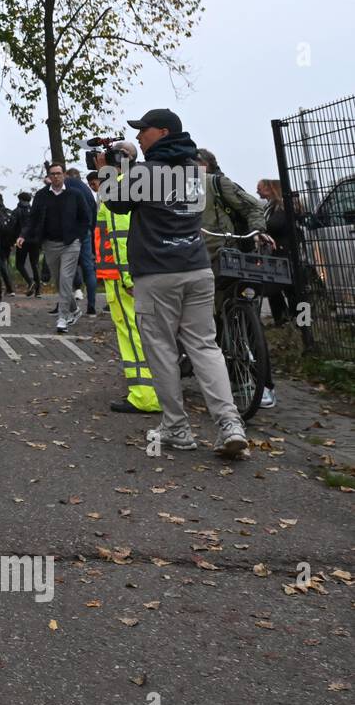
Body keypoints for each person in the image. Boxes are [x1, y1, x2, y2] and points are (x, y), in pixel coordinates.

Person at [110, 109, 247, 456]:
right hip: (198, 269)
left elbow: (115, 201)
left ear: (164, 131)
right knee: (205, 346)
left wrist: (111, 166)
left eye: (145, 130)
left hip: (157, 275)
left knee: (162, 351)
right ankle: (230, 424)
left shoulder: (147, 171)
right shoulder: (196, 171)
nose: (140, 136)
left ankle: (176, 427)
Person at [197, 149, 276, 408]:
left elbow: (252, 206)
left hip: (231, 257)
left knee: (244, 318)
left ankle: (262, 383)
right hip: (200, 263)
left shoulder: (219, 184)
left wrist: (257, 232)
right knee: (214, 322)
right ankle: (232, 378)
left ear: (205, 165)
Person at [94, 142, 160, 414]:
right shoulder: (131, 182)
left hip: (122, 276)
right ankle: (151, 391)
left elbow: (121, 236)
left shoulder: (119, 186)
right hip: (125, 273)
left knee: (133, 334)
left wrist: (127, 277)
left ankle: (144, 395)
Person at [17, 162, 91, 333]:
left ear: (64, 175)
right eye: (53, 174)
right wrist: (23, 235)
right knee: (59, 281)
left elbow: (85, 218)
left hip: (70, 243)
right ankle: (74, 310)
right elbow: (33, 218)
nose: (56, 176)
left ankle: (62, 318)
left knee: (66, 279)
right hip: (50, 244)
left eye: (59, 173)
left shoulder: (75, 194)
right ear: (49, 177)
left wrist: (78, 237)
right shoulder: (42, 196)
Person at [257, 178, 300, 329]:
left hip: (285, 252)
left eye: (260, 188)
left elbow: (275, 224)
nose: (258, 191)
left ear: (271, 189)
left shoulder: (282, 206)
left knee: (294, 290)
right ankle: (286, 320)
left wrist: (261, 228)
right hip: (278, 252)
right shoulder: (271, 207)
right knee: (277, 289)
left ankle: (301, 321)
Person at [67, 167, 99, 314]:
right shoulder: (87, 191)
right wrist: (90, 230)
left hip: (68, 232)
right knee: (88, 267)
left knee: (66, 267)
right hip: (85, 231)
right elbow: (93, 211)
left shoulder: (65, 187)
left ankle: (68, 305)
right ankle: (91, 306)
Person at [12, 191, 41, 295]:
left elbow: (13, 227)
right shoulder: (34, 211)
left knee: (19, 264)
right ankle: (38, 291)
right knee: (35, 264)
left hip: (22, 240)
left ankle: (30, 282)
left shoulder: (17, 211)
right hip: (35, 241)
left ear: (19, 199)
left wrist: (14, 239)